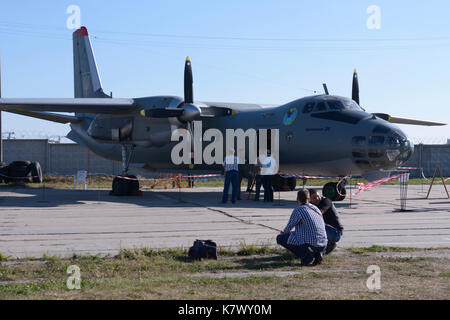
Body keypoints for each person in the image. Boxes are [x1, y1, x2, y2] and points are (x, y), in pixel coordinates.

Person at [276, 189, 328, 266]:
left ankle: (305, 256)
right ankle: (317, 254)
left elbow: (289, 227)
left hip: (311, 244)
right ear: (309, 199)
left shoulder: (299, 210)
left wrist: (284, 232)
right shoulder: (315, 208)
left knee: (281, 238)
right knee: (304, 236)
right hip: (323, 243)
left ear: (297, 199)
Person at [309, 188, 344, 255]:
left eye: (318, 196)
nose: (317, 198)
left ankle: (330, 243)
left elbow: (319, 213)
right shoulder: (310, 205)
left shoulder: (326, 201)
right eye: (314, 197)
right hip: (326, 229)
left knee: (313, 224)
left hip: (335, 232)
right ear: (309, 199)